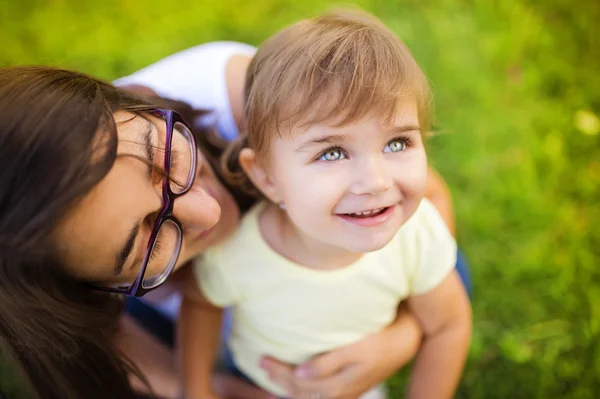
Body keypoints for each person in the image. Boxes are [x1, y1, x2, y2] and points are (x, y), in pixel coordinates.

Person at [0, 66, 425, 399]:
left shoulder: (242, 95)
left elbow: (428, 206)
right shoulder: (64, 304)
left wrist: (404, 337)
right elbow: (92, 343)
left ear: (137, 101)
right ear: (89, 294)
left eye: (163, 159)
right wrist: (194, 386)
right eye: (147, 244)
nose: (209, 211)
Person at [114, 41, 469, 398]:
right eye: (332, 153)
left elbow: (447, 326)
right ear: (267, 177)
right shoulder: (237, 252)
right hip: (259, 378)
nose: (376, 182)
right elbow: (202, 303)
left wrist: (401, 345)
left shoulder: (417, 233)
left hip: (358, 371)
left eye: (396, 143)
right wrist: (199, 389)